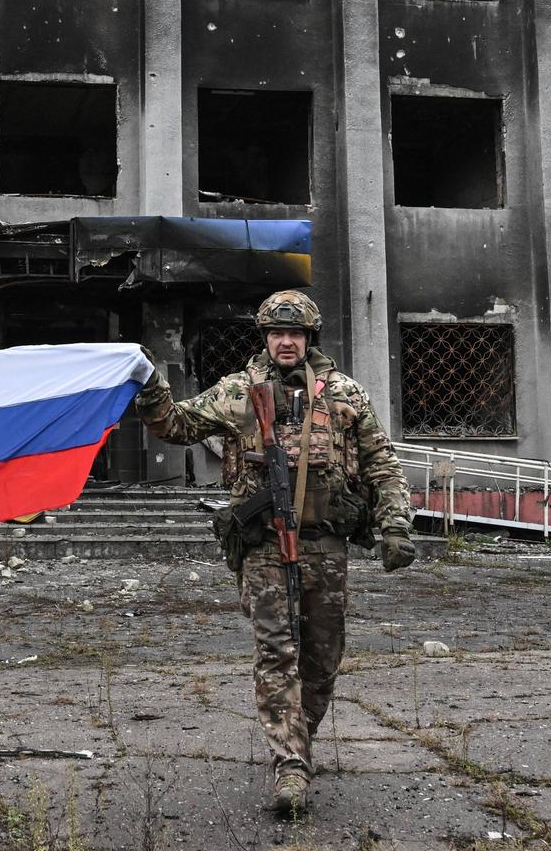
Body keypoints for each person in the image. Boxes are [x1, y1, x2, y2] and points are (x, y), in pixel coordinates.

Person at [136, 290, 416, 819]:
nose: (285, 342)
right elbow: (174, 425)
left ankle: (299, 739)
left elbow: (382, 462)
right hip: (264, 545)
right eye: (275, 333)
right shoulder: (238, 391)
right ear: (264, 336)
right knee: (276, 652)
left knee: (322, 659)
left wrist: (395, 524)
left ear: (309, 339)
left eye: (296, 334)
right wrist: (151, 388)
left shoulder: (344, 394)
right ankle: (290, 764)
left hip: (327, 544)